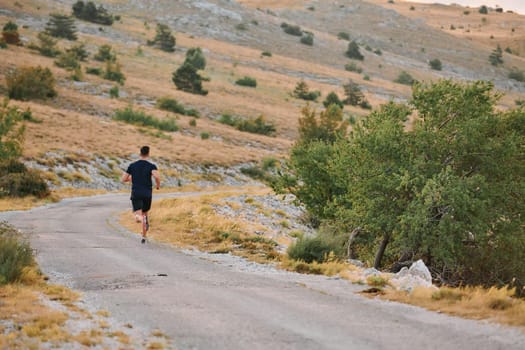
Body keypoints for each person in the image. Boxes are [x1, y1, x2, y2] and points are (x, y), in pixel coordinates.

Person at [121, 146, 160, 244]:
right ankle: (144, 236)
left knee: (139, 216)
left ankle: (141, 219)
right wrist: (158, 186)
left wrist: (133, 178)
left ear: (140, 153)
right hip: (147, 193)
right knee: (145, 213)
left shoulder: (132, 165)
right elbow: (157, 176)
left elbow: (124, 179)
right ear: (148, 154)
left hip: (136, 193)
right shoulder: (152, 166)